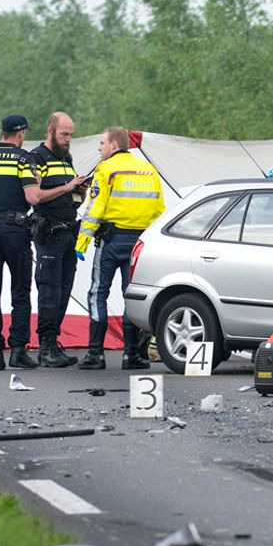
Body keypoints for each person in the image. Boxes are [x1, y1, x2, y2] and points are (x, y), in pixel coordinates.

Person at [0, 114, 87, 370]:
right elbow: (33, 197)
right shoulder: (23, 158)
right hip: (14, 230)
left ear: (2, 131)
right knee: (20, 292)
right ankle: (18, 351)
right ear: (21, 134)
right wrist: (66, 187)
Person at [74, 126, 165, 370]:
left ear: (114, 145)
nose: (99, 148)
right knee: (132, 297)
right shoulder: (149, 171)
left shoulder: (106, 169)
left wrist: (81, 242)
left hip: (111, 242)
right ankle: (131, 355)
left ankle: (96, 355)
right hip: (139, 246)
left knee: (97, 293)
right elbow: (159, 211)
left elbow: (95, 210)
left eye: (102, 143)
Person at [30, 112, 88, 367]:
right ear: (50, 130)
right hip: (49, 232)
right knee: (49, 290)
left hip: (69, 231)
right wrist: (66, 187)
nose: (68, 140)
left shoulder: (67, 158)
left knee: (64, 290)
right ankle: (46, 346)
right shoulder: (36, 157)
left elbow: (72, 199)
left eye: (71, 135)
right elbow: (35, 196)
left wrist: (80, 191)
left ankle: (54, 341)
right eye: (64, 134)